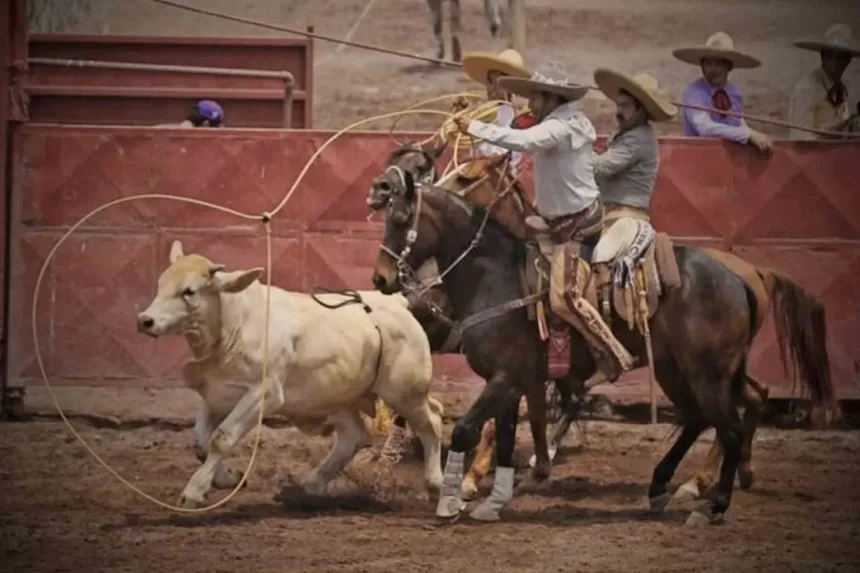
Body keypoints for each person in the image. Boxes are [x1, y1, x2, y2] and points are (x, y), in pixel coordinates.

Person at [454, 65, 635, 388]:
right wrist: (484, 124)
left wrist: (476, 127)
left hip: (577, 225)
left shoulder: (561, 128)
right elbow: (515, 134)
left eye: (535, 97)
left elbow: (523, 140)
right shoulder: (554, 122)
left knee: (563, 298)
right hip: (555, 220)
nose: (530, 103)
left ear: (551, 99)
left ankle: (613, 355)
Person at [589, 68, 677, 319]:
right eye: (618, 105)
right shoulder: (628, 135)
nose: (618, 111)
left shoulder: (638, 138)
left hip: (627, 219)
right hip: (611, 216)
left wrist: (574, 150)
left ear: (642, 110)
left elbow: (602, 167)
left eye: (625, 106)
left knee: (601, 257)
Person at [673, 32, 772, 155]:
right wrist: (748, 134)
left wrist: (752, 134)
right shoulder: (694, 93)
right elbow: (705, 128)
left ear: (728, 67)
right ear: (702, 66)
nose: (712, 70)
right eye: (708, 63)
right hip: (698, 155)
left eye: (718, 63)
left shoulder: (734, 92)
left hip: (728, 157)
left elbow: (737, 122)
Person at [460, 48, 532, 175]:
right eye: (489, 82)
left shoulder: (515, 119)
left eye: (496, 83)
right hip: (476, 170)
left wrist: (474, 129)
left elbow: (505, 154)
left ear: (510, 88)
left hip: (500, 175)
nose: (490, 88)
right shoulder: (481, 113)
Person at [789, 23, 860, 139]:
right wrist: (831, 133)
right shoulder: (807, 87)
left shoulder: (842, 88)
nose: (835, 62)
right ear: (823, 57)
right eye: (831, 56)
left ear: (848, 61)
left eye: (841, 58)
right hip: (812, 150)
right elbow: (801, 138)